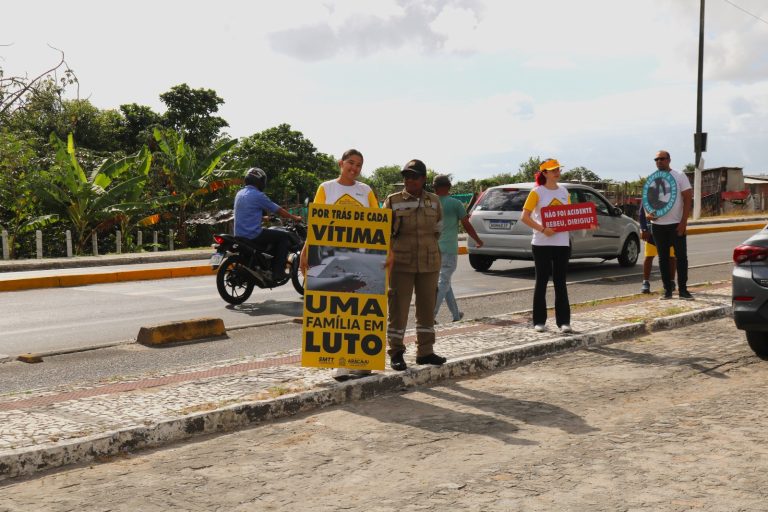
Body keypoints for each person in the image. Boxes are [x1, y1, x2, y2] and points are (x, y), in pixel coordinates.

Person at [299, 149, 379, 382]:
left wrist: (388, 254)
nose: (354, 168)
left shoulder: (366, 191)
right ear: (341, 163)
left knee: (361, 309)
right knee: (336, 310)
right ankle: (340, 363)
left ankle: (362, 361)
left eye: (359, 165)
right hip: (331, 257)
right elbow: (316, 223)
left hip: (362, 257)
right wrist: (306, 249)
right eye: (350, 163)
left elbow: (378, 224)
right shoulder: (326, 188)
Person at [384, 159, 446, 371]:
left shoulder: (434, 201)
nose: (409, 180)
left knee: (427, 309)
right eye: (406, 176)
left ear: (423, 179)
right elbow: (384, 232)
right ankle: (396, 352)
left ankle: (425, 352)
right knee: (398, 310)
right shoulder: (393, 201)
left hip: (429, 262)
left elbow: (438, 229)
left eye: (414, 176)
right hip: (401, 263)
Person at [520, 158, 587, 333]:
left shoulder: (564, 191)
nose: (557, 172)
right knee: (541, 281)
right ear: (545, 173)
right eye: (553, 170)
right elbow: (524, 217)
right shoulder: (536, 192)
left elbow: (569, 216)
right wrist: (543, 229)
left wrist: (586, 221)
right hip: (541, 243)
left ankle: (564, 322)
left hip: (562, 243)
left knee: (560, 282)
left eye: (558, 169)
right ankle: (539, 321)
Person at [233, 167, 303, 281]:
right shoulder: (258, 195)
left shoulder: (240, 194)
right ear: (259, 181)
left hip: (239, 234)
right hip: (253, 234)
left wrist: (263, 218)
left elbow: (247, 213)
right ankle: (278, 272)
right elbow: (278, 210)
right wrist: (294, 217)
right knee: (283, 237)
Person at [432, 174, 483, 322]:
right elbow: (466, 225)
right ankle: (430, 315)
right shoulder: (455, 203)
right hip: (449, 249)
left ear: (434, 188)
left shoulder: (431, 203)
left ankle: (455, 314)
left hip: (433, 249)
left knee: (445, 282)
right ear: (449, 187)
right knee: (443, 282)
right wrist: (478, 240)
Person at [646, 150, 693, 300]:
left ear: (669, 160)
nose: (659, 161)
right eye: (656, 159)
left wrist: (683, 222)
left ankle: (683, 290)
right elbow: (647, 200)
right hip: (657, 225)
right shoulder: (652, 178)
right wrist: (647, 214)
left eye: (662, 158)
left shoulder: (679, 175)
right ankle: (667, 290)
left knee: (681, 257)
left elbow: (688, 198)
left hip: (676, 224)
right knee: (663, 258)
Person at [639, 207, 676, 294]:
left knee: (671, 257)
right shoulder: (647, 197)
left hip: (669, 230)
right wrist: (644, 229)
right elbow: (642, 213)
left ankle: (671, 282)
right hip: (652, 231)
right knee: (649, 256)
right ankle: (645, 282)